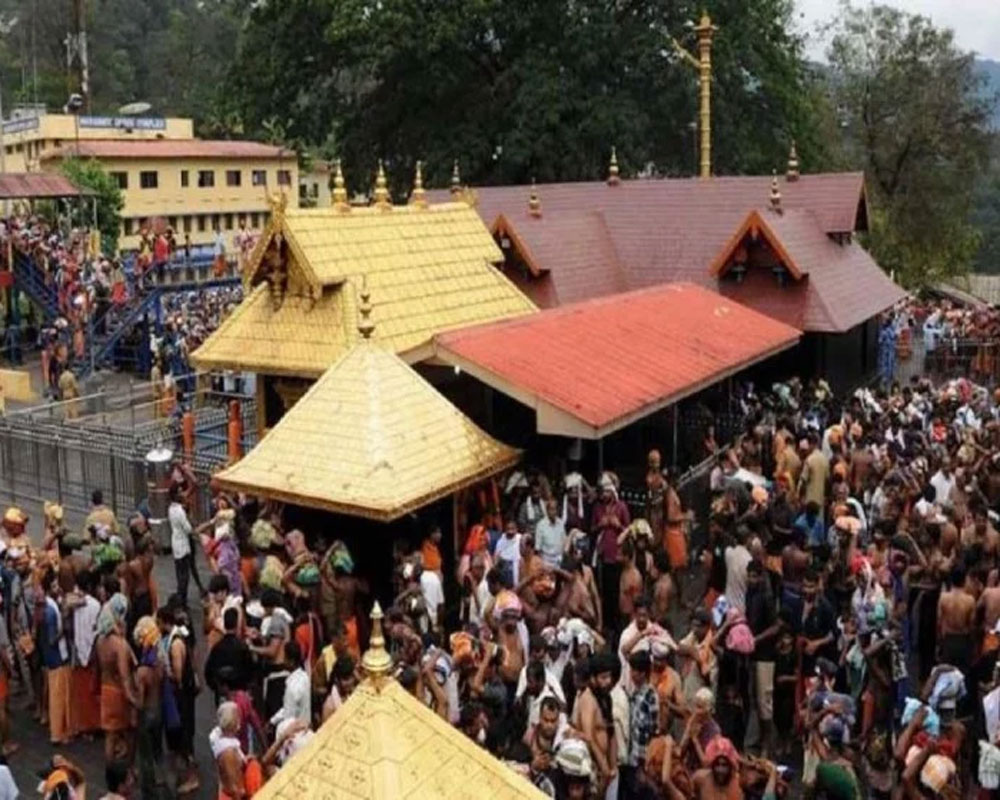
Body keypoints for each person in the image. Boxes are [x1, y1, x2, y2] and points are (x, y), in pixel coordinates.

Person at [96, 592, 137, 762]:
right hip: (118, 692)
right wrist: (133, 699)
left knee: (110, 736)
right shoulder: (119, 645)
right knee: (129, 733)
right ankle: (129, 769)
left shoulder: (100, 639)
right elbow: (124, 675)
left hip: (106, 689)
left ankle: (111, 769)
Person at [133, 616, 167, 799]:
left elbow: (139, 701)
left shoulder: (142, 672)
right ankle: (165, 782)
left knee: (145, 756)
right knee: (159, 751)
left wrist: (130, 696)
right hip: (158, 710)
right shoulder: (159, 665)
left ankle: (150, 791)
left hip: (146, 714)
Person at [621, 650, 659, 800]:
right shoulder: (635, 693)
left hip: (640, 761)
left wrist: (643, 765)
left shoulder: (650, 696)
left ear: (643, 673)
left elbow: (651, 731)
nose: (631, 674)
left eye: (634, 670)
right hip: (630, 759)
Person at [41, 572, 71, 745]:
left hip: (50, 656)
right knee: (58, 695)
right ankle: (58, 733)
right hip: (56, 655)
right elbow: (53, 638)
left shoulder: (49, 605)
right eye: (53, 586)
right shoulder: (51, 611)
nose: (57, 588)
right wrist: (64, 628)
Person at [205, 607, 254, 702]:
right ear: (236, 624)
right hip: (240, 693)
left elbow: (208, 672)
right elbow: (250, 671)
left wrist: (217, 687)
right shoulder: (242, 648)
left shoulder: (217, 648)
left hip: (222, 693)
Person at [168, 486, 199, 603]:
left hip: (176, 543)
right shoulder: (179, 511)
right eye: (179, 492)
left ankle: (181, 597)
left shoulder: (171, 509)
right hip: (182, 545)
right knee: (184, 576)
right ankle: (182, 598)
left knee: (180, 573)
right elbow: (188, 529)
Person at [272, 640, 310, 727]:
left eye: (285, 658)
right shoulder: (305, 677)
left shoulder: (292, 687)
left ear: (291, 661)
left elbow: (288, 716)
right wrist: (273, 720)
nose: (283, 661)